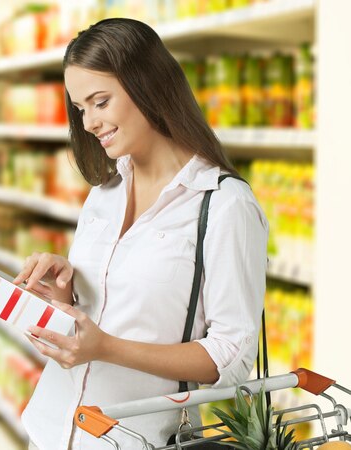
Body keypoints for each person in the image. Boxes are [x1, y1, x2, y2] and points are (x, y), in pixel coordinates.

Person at [13, 18, 268, 450]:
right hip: (48, 428)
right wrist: (64, 299)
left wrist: (106, 348)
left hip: (133, 438)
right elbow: (101, 314)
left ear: (146, 84)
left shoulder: (224, 204)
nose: (90, 122)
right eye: (80, 109)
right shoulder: (104, 193)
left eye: (100, 102)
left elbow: (232, 355)